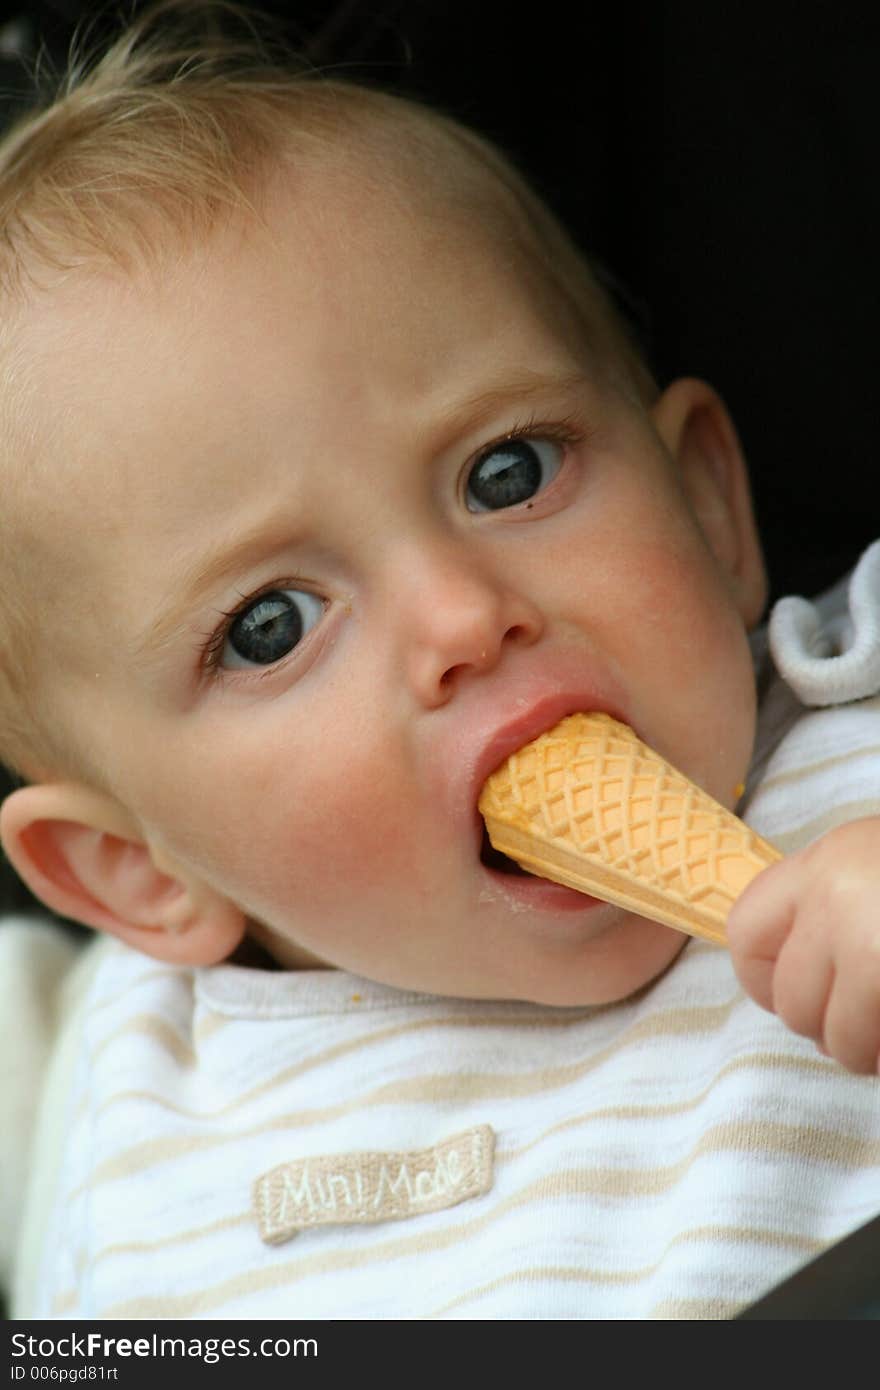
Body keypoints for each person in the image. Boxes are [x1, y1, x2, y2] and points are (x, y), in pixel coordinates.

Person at [0, 2, 878, 1320]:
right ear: (139, 867)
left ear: (707, 505)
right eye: (270, 627)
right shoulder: (76, 1073)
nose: (464, 617)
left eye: (506, 471)